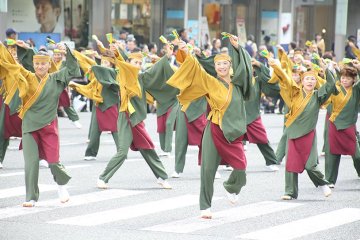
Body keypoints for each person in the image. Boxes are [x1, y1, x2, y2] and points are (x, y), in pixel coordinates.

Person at [167, 35, 252, 219]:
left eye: (225, 64)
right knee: (207, 170)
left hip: (233, 132)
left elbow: (246, 70)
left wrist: (237, 48)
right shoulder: (211, 81)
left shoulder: (239, 85)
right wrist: (185, 51)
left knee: (241, 167)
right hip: (214, 128)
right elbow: (196, 69)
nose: (221, 67)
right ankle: (205, 207)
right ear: (215, 68)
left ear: (231, 66)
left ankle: (231, 187)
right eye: (218, 65)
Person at [0, 42, 81, 207]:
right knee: (31, 163)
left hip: (49, 126)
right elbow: (12, 65)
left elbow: (73, 69)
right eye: (37, 63)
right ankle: (31, 196)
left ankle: (61, 185)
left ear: (49, 64)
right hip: (29, 126)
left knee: (53, 161)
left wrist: (68, 51)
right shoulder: (28, 77)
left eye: (43, 63)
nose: (39, 66)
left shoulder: (57, 78)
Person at [96, 51, 172, 190]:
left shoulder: (141, 77)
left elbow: (155, 71)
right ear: (128, 63)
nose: (137, 65)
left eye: (139, 63)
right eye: (134, 62)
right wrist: (117, 52)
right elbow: (120, 64)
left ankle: (162, 177)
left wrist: (164, 57)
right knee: (123, 152)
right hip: (125, 116)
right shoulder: (122, 75)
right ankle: (103, 178)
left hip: (137, 118)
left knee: (148, 148)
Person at [268, 56, 335, 200]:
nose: (310, 81)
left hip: (308, 134)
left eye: (313, 79)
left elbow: (330, 85)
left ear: (316, 82)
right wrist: (276, 66)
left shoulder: (318, 96)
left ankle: (323, 184)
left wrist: (325, 68)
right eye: (307, 79)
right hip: (292, 133)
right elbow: (285, 80)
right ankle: (290, 191)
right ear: (302, 81)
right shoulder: (295, 93)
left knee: (311, 165)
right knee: (291, 163)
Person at [324, 61, 360, 187]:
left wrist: (359, 69)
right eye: (343, 77)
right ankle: (329, 180)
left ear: (353, 80)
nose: (344, 80)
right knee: (332, 153)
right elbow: (328, 84)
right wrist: (326, 69)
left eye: (348, 78)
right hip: (334, 123)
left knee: (357, 154)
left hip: (349, 124)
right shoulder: (337, 88)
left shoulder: (356, 90)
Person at [52, 46, 82, 128]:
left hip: (61, 86)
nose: (57, 56)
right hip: (51, 87)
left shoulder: (64, 63)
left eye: (58, 54)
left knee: (67, 104)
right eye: (55, 54)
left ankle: (75, 120)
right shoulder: (50, 63)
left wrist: (68, 90)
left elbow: (67, 75)